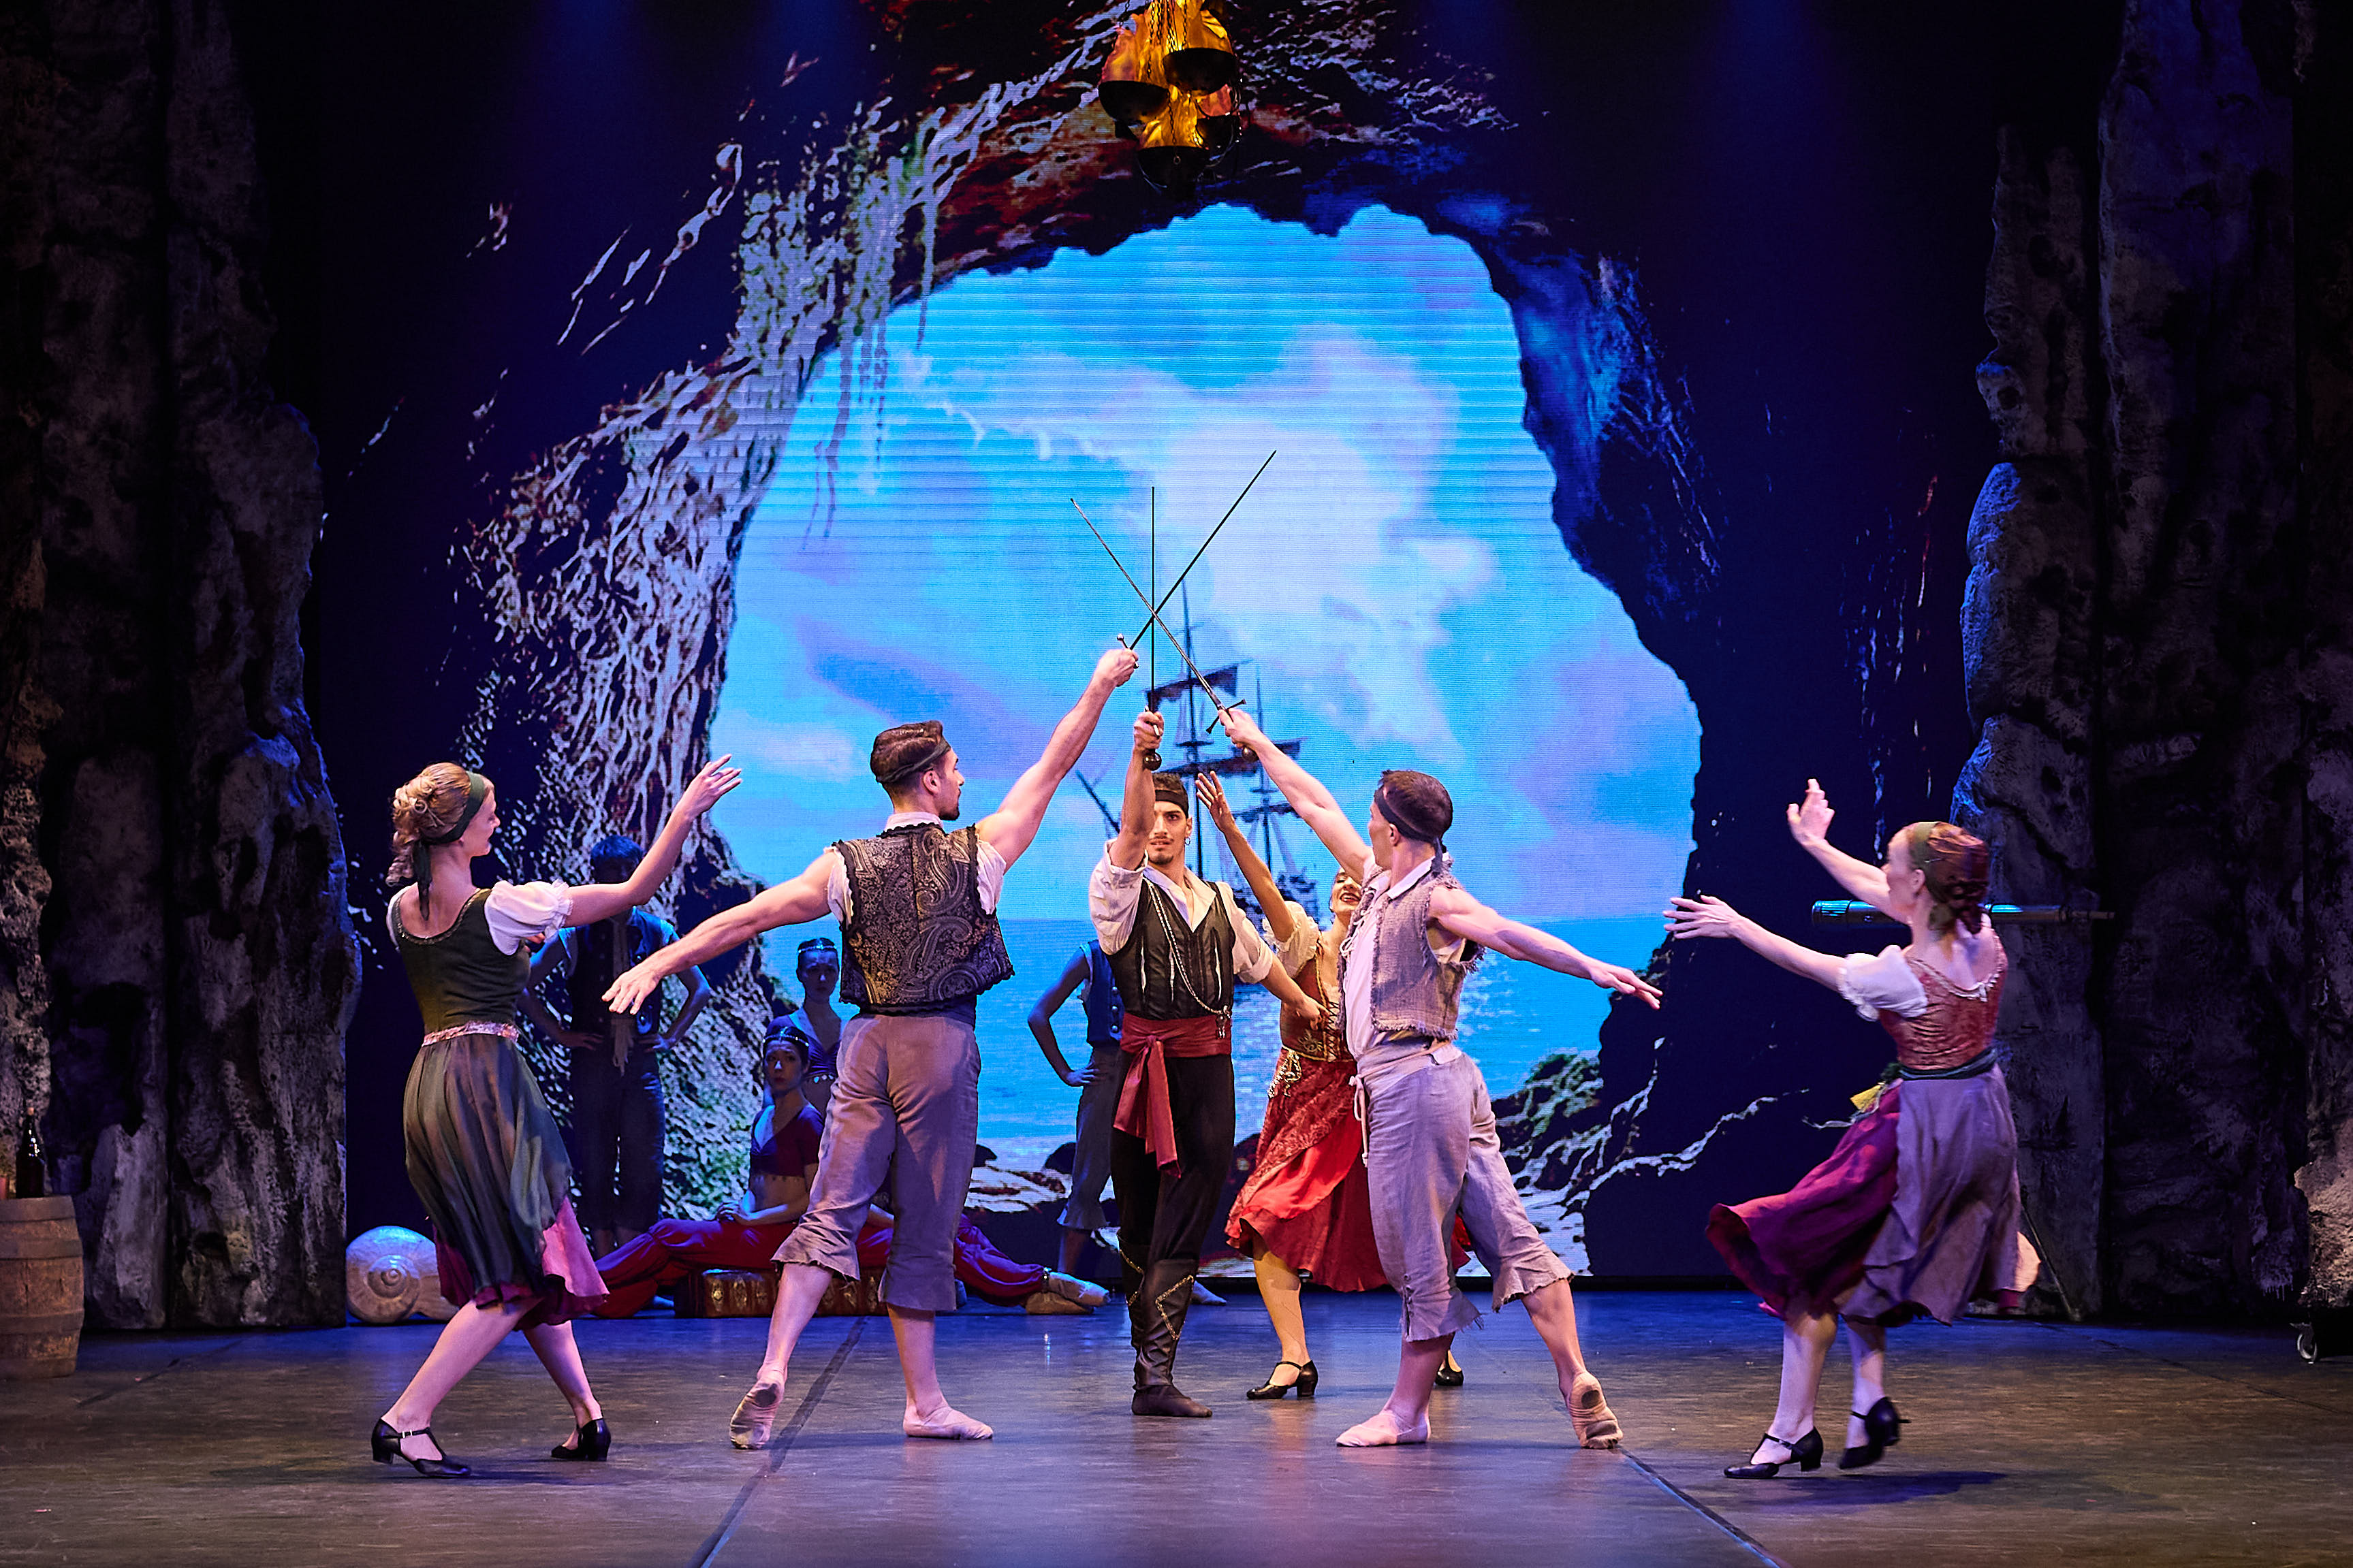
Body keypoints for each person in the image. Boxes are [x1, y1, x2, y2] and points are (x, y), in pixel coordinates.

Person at [605, 644, 1140, 1445]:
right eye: (954, 769)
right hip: (938, 1044)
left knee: (831, 1208)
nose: (963, 779)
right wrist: (1098, 682)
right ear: (928, 781)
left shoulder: (842, 864)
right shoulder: (981, 849)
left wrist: (658, 960)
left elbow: (747, 918)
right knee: (924, 1224)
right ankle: (923, 1402)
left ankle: (775, 1364)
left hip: (863, 1045)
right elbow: (1055, 761)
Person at [1221, 706, 1660, 1448]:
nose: (1361, 823)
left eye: (1372, 816)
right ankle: (1574, 1375)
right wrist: (1258, 741)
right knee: (1508, 1233)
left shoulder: (1435, 898)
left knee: (1416, 1248)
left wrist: (1589, 966)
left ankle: (1406, 1410)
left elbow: (1506, 933)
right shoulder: (1380, 882)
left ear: (1393, 830)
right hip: (1448, 1082)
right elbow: (1313, 802)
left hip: (1410, 1088)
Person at [370, 754, 738, 1477]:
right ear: (458, 831)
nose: (497, 820)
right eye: (487, 813)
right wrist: (684, 812)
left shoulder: (400, 910)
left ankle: (587, 1415)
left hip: (431, 1084)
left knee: (543, 1253)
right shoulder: (503, 906)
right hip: (485, 1087)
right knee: (515, 1270)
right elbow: (634, 890)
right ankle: (406, 1418)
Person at [1669, 782, 2030, 1478]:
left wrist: (1736, 924)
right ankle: (1863, 1404)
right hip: (1982, 1122)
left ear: (1918, 884)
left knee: (1805, 1259)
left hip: (1923, 1134)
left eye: (1892, 863)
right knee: (1861, 1260)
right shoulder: (1980, 935)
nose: (1882, 873)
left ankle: (1792, 1430)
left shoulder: (1902, 974)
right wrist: (1814, 844)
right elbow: (1885, 891)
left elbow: (1810, 963)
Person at [1195, 773, 1465, 1399]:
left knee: (1418, 1227)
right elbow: (1266, 890)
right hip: (1304, 1105)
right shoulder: (1300, 939)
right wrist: (1230, 830)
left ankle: (1437, 1345)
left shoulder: (1387, 950)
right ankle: (1294, 1357)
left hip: (1373, 1104)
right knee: (1267, 1216)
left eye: (1355, 878)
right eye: (1337, 878)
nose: (1345, 882)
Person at [1089, 711, 1323, 1418]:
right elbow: (1129, 834)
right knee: (1138, 1222)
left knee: (1186, 1216)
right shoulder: (1117, 891)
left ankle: (1154, 1375)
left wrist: (1305, 1005)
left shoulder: (1219, 900)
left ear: (1188, 825)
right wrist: (1140, 754)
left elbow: (1257, 962)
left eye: (1171, 816)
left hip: (1207, 1075)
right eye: (1149, 817)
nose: (1158, 828)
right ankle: (1147, 1370)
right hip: (1140, 1077)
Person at [590, 1023, 1106, 1317]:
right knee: (669, 1253)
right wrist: (740, 1210)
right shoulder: (765, 1117)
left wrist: (751, 1221)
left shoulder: (808, 1122)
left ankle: (1036, 1282)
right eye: (771, 1060)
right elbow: (757, 1187)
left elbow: (811, 1198)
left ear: (803, 1068)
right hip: (765, 1229)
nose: (777, 1068)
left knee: (945, 1238)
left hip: (790, 1234)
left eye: (788, 1061)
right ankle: (599, 1297)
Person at [523, 833, 713, 1255]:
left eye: (628, 873)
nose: (620, 882)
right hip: (593, 1064)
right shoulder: (575, 935)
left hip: (641, 1066)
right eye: (611, 874)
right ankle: (604, 1259)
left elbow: (699, 989)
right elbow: (522, 985)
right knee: (595, 1160)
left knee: (644, 1163)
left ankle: (631, 1257)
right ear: (596, 877)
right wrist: (559, 1032)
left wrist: (671, 1036)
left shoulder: (657, 931)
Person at [1026, 940, 1124, 1276]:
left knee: (1154, 1179)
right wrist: (1066, 1073)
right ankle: (1065, 1280)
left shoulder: (1158, 949)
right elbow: (1038, 1016)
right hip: (1106, 1076)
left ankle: (1173, 1279)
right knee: (1087, 1182)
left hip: (1152, 1073)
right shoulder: (1091, 956)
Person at [778, 938, 844, 1118]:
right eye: (814, 970)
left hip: (844, 1128)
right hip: (798, 1127)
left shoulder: (851, 1030)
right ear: (800, 974)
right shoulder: (784, 1027)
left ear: (838, 973)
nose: (822, 979)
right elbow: (772, 1092)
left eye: (830, 971)